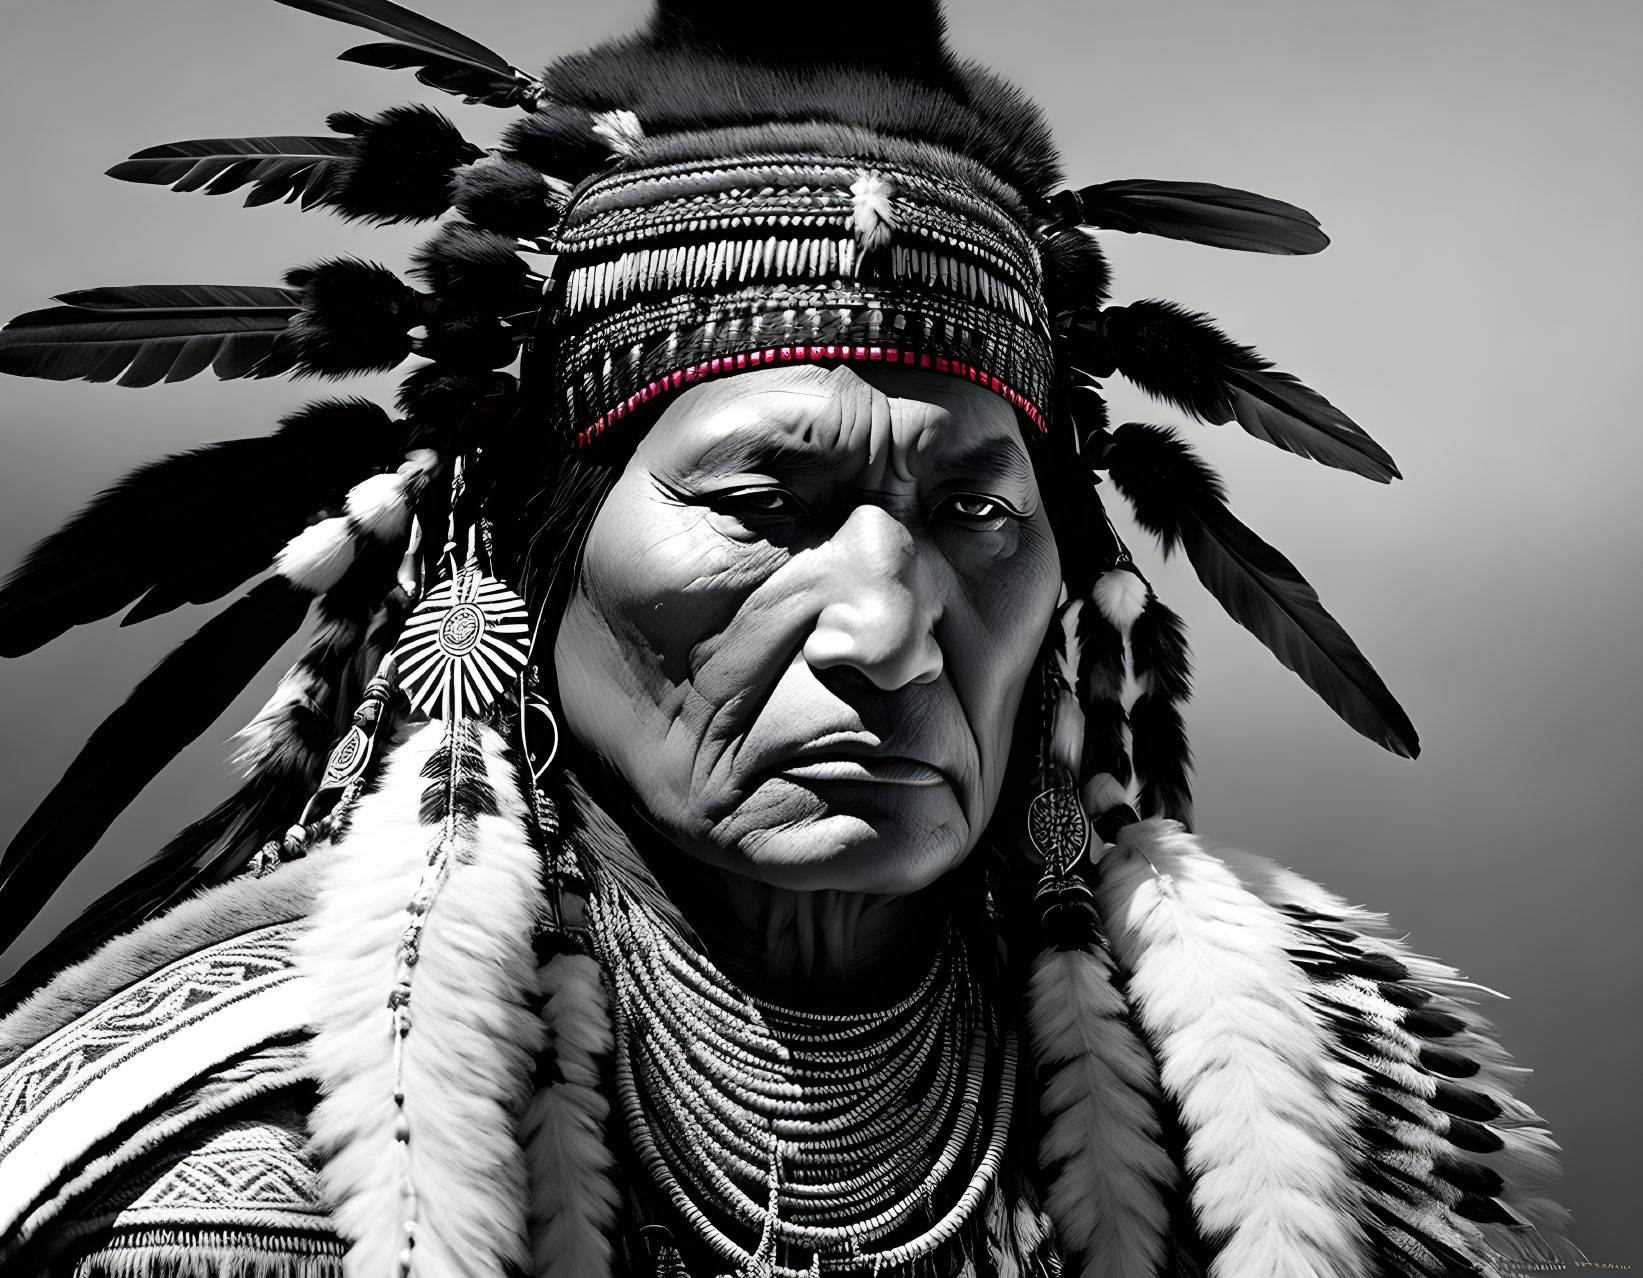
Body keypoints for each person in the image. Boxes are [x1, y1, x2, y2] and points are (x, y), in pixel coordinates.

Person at [0, 1, 1588, 1275]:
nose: (889, 629)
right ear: (517, 551)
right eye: (766, 503)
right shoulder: (253, 1169)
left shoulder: (1303, 1129)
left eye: (977, 514)